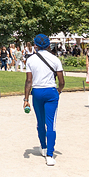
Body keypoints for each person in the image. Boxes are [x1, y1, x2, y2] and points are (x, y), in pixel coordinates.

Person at [23, 34, 64, 166]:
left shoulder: (30, 60)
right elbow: (62, 81)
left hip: (37, 91)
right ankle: (50, 155)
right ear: (48, 45)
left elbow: (29, 81)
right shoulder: (55, 59)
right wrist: (59, 91)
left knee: (40, 122)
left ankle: (43, 147)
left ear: (35, 45)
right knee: (51, 123)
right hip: (51, 91)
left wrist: (26, 98)